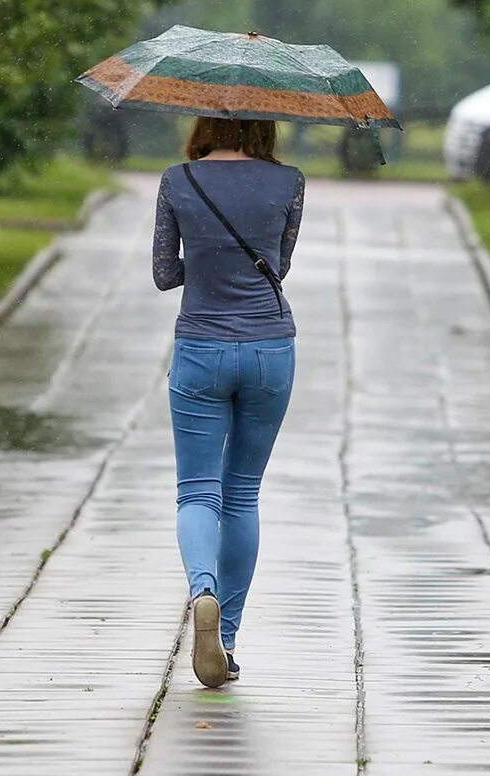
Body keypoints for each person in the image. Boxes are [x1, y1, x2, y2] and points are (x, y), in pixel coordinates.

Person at [151, 117, 304, 688]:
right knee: (242, 493)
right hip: (270, 350)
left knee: (197, 490)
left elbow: (166, 273)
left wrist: (207, 264)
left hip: (200, 349)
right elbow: (278, 267)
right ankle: (229, 639)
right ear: (263, 124)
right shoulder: (289, 182)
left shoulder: (178, 179)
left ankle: (203, 591)